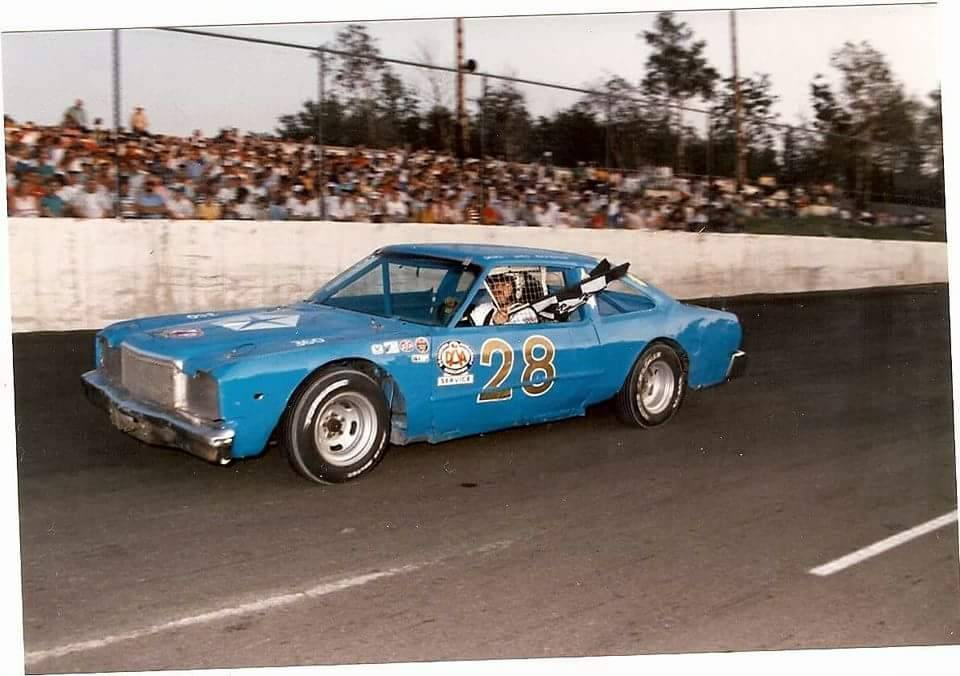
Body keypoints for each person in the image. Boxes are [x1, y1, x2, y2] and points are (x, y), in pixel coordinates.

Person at [468, 273, 539, 326]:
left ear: (516, 287)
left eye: (503, 284)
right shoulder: (482, 309)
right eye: (493, 285)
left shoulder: (526, 312)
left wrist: (496, 323)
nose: (496, 288)